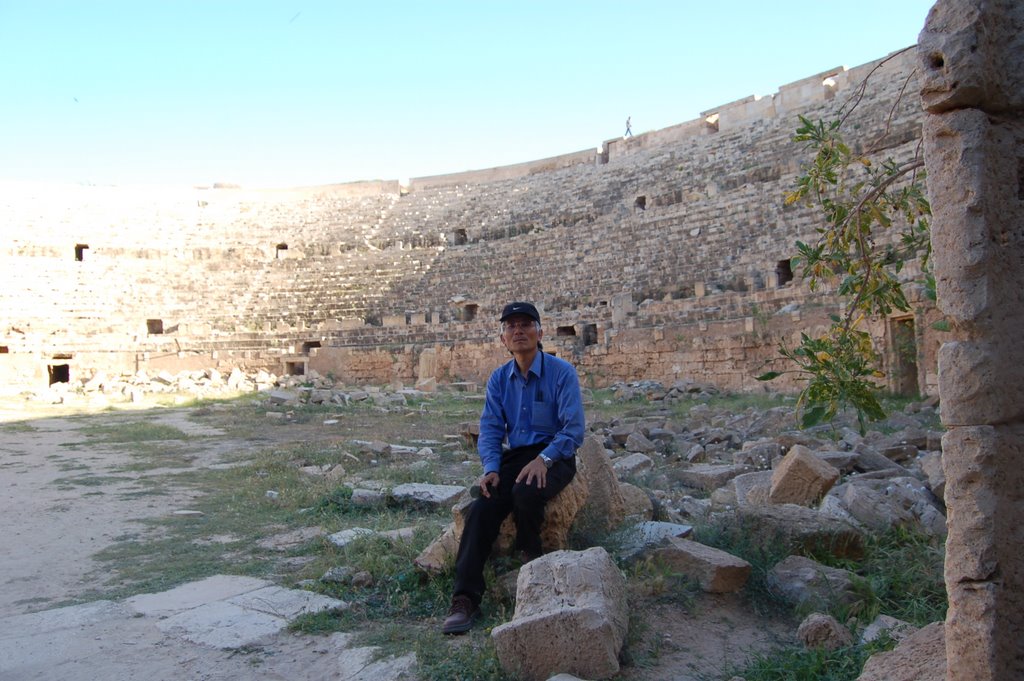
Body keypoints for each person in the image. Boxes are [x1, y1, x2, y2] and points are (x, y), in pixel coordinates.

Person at [442, 301, 585, 634]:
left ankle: (531, 560)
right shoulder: (499, 380)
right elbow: (491, 429)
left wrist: (544, 459)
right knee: (482, 507)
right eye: (511, 326)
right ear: (503, 338)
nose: (518, 330)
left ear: (540, 332)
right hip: (516, 456)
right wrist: (491, 467)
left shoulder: (562, 373)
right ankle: (464, 599)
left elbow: (573, 430)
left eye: (525, 324)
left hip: (556, 454)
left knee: (526, 493)